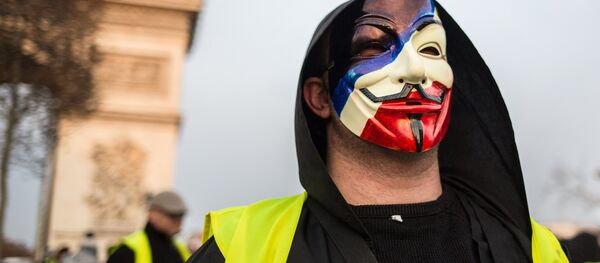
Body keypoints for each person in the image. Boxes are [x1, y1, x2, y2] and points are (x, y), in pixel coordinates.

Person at [189, 0, 571, 262]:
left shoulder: (536, 249)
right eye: (374, 46)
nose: (415, 70)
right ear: (319, 97)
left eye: (432, 50)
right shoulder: (241, 246)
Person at [107, 191, 191, 263]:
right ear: (152, 215)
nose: (179, 222)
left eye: (181, 216)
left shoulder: (182, 250)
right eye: (172, 216)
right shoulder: (128, 250)